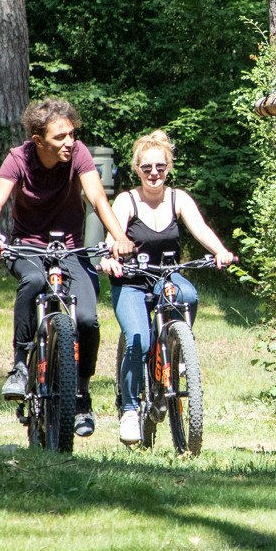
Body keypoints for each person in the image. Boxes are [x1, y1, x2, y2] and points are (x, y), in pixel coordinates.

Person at [0, 98, 133, 438]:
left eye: (72, 134)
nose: (69, 142)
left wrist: (119, 237)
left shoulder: (79, 154)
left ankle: (81, 394)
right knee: (32, 282)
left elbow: (97, 198)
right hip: (28, 245)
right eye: (60, 137)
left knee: (87, 319)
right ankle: (19, 365)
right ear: (38, 140)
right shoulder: (19, 158)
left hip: (71, 248)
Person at [97, 130, 237, 446]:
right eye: (146, 168)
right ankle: (130, 411)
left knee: (187, 294)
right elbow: (112, 236)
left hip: (165, 277)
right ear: (136, 170)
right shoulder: (127, 200)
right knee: (137, 340)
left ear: (168, 166)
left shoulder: (178, 198)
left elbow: (200, 228)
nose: (154, 173)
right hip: (131, 280)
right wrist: (110, 257)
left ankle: (177, 349)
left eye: (160, 166)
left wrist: (219, 251)